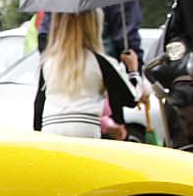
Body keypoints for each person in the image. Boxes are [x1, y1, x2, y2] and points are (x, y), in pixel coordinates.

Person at [31, 8, 138, 139]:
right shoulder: (101, 61)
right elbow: (131, 98)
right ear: (94, 26)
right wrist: (133, 71)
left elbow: (39, 107)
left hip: (51, 129)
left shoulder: (48, 62)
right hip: (87, 128)